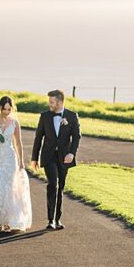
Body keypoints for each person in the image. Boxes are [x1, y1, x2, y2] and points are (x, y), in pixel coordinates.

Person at [30, 89, 81, 230]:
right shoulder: (45, 116)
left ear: (60, 102)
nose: (49, 104)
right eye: (49, 102)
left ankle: (58, 219)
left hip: (65, 157)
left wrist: (72, 153)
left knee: (61, 188)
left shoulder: (72, 116)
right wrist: (34, 158)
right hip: (49, 156)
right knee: (53, 184)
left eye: (52, 102)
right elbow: (38, 137)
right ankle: (50, 220)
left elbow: (76, 137)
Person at [0, 96, 32, 232]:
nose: (6, 112)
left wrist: (21, 161)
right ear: (0, 107)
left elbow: (18, 143)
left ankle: (8, 221)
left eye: (9, 109)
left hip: (9, 160)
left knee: (8, 189)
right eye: (4, 109)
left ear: (12, 108)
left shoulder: (15, 123)